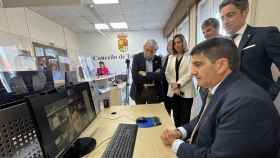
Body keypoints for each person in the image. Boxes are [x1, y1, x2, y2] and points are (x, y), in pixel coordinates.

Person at [160, 37, 280, 158]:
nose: (193, 72)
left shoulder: (244, 103)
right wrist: (179, 132)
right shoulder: (221, 87)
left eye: (198, 64)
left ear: (221, 65)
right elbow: (202, 119)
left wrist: (175, 144)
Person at [220, 0, 280, 100]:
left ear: (244, 13)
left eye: (230, 15)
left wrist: (270, 94)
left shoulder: (265, 35)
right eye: (222, 18)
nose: (225, 22)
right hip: (230, 100)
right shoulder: (223, 43)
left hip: (257, 101)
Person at [165, 34, 195, 127]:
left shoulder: (190, 56)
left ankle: (184, 138)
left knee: (185, 118)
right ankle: (177, 137)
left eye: (179, 42)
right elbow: (167, 73)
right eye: (175, 43)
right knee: (176, 117)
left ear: (183, 43)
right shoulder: (171, 57)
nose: (177, 45)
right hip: (173, 91)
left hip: (186, 91)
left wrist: (178, 84)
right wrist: (173, 85)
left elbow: (190, 73)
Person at [130, 39, 163, 104]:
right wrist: (153, 75)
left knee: (153, 112)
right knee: (140, 112)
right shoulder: (137, 58)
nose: (149, 53)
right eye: (147, 50)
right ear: (144, 47)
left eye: (152, 51)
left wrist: (145, 74)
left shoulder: (158, 59)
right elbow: (135, 77)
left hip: (153, 91)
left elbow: (160, 77)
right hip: (140, 90)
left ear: (155, 51)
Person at [162, 40, 173, 115]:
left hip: (174, 86)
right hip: (165, 87)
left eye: (172, 46)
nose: (171, 47)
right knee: (167, 109)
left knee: (176, 109)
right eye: (169, 46)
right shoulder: (164, 58)